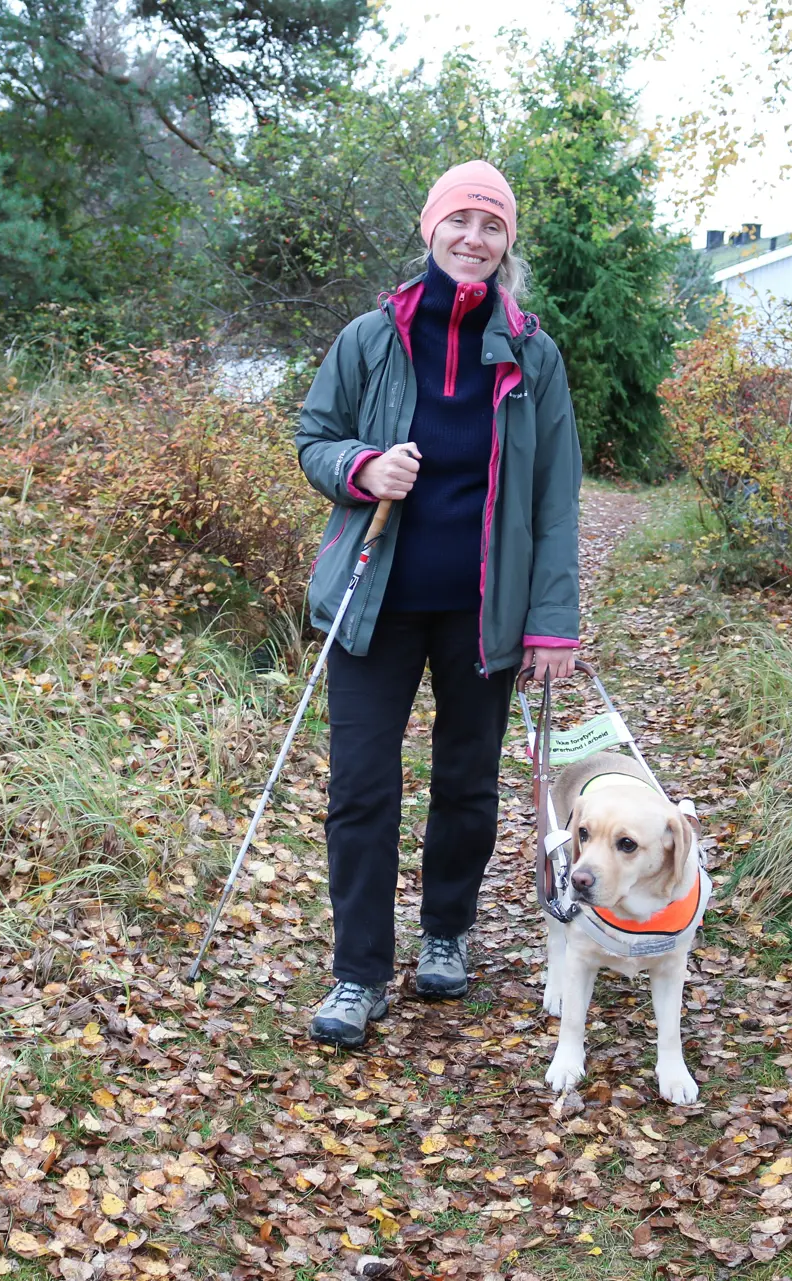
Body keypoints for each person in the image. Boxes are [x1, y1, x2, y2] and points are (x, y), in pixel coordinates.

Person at [295, 160, 583, 1048]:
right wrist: (362, 467)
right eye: (460, 220)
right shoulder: (369, 338)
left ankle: (446, 933)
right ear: (431, 229)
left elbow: (556, 498)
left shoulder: (534, 356)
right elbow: (314, 437)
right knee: (361, 788)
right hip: (373, 601)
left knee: (466, 783)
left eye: (492, 225)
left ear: (506, 244)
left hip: (483, 610)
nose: (474, 238)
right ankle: (358, 972)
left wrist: (552, 620)